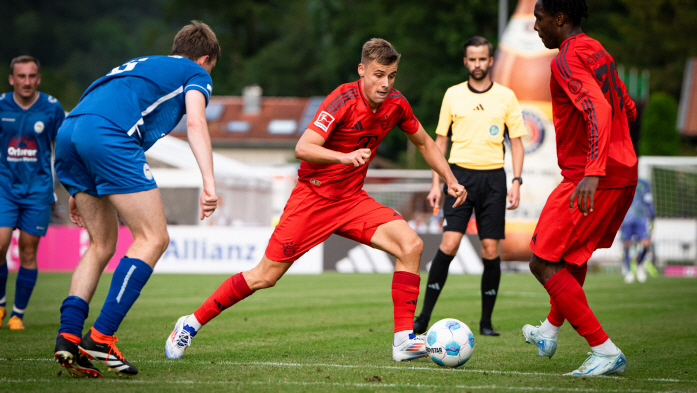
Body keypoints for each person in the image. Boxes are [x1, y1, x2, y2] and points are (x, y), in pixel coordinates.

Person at [164, 38, 467, 362]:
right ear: (362, 70)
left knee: (411, 245)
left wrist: (450, 180)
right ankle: (189, 324)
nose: (385, 83)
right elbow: (303, 147)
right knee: (264, 276)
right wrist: (344, 157)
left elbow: (423, 142)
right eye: (379, 74)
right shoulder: (342, 99)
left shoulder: (397, 104)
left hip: (351, 200)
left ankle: (403, 340)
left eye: (391, 76)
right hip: (313, 198)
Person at [53, 21, 220, 378]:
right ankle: (100, 337)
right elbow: (195, 123)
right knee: (153, 238)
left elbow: (93, 101)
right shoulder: (195, 72)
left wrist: (79, 184)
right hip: (107, 136)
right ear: (205, 58)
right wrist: (209, 182)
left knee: (101, 244)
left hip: (71, 132)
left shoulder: (141, 63)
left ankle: (68, 337)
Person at [522, 0, 638, 376]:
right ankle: (549, 331)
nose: (536, 26)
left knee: (541, 261)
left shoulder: (566, 58)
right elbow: (628, 108)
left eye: (539, 19)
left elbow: (599, 110)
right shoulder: (597, 49)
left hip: (590, 177)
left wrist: (592, 170)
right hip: (621, 172)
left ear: (559, 18)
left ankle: (603, 349)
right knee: (571, 259)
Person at [413, 36, 526, 337]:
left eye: (482, 59)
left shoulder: (506, 96)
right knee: (449, 244)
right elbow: (439, 142)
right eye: (472, 59)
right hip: (458, 178)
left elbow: (516, 143)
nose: (477, 64)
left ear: (491, 61)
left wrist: (516, 181)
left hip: (494, 179)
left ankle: (486, 323)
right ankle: (422, 317)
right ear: (465, 61)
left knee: (491, 250)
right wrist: (436, 183)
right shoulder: (452, 95)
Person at [0, 56, 65, 330]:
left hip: (38, 192)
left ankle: (17, 314)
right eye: (21, 76)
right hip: (4, 189)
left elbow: (63, 147)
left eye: (32, 76)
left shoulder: (51, 108)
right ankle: (1, 304)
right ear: (12, 79)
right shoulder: (1, 105)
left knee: (28, 252)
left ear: (38, 78)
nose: (26, 81)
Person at [620, 179, 655, 283]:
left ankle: (639, 266)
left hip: (641, 218)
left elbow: (648, 199)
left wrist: (652, 214)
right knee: (626, 245)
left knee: (645, 243)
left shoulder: (644, 183)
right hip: (626, 219)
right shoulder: (623, 181)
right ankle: (628, 272)